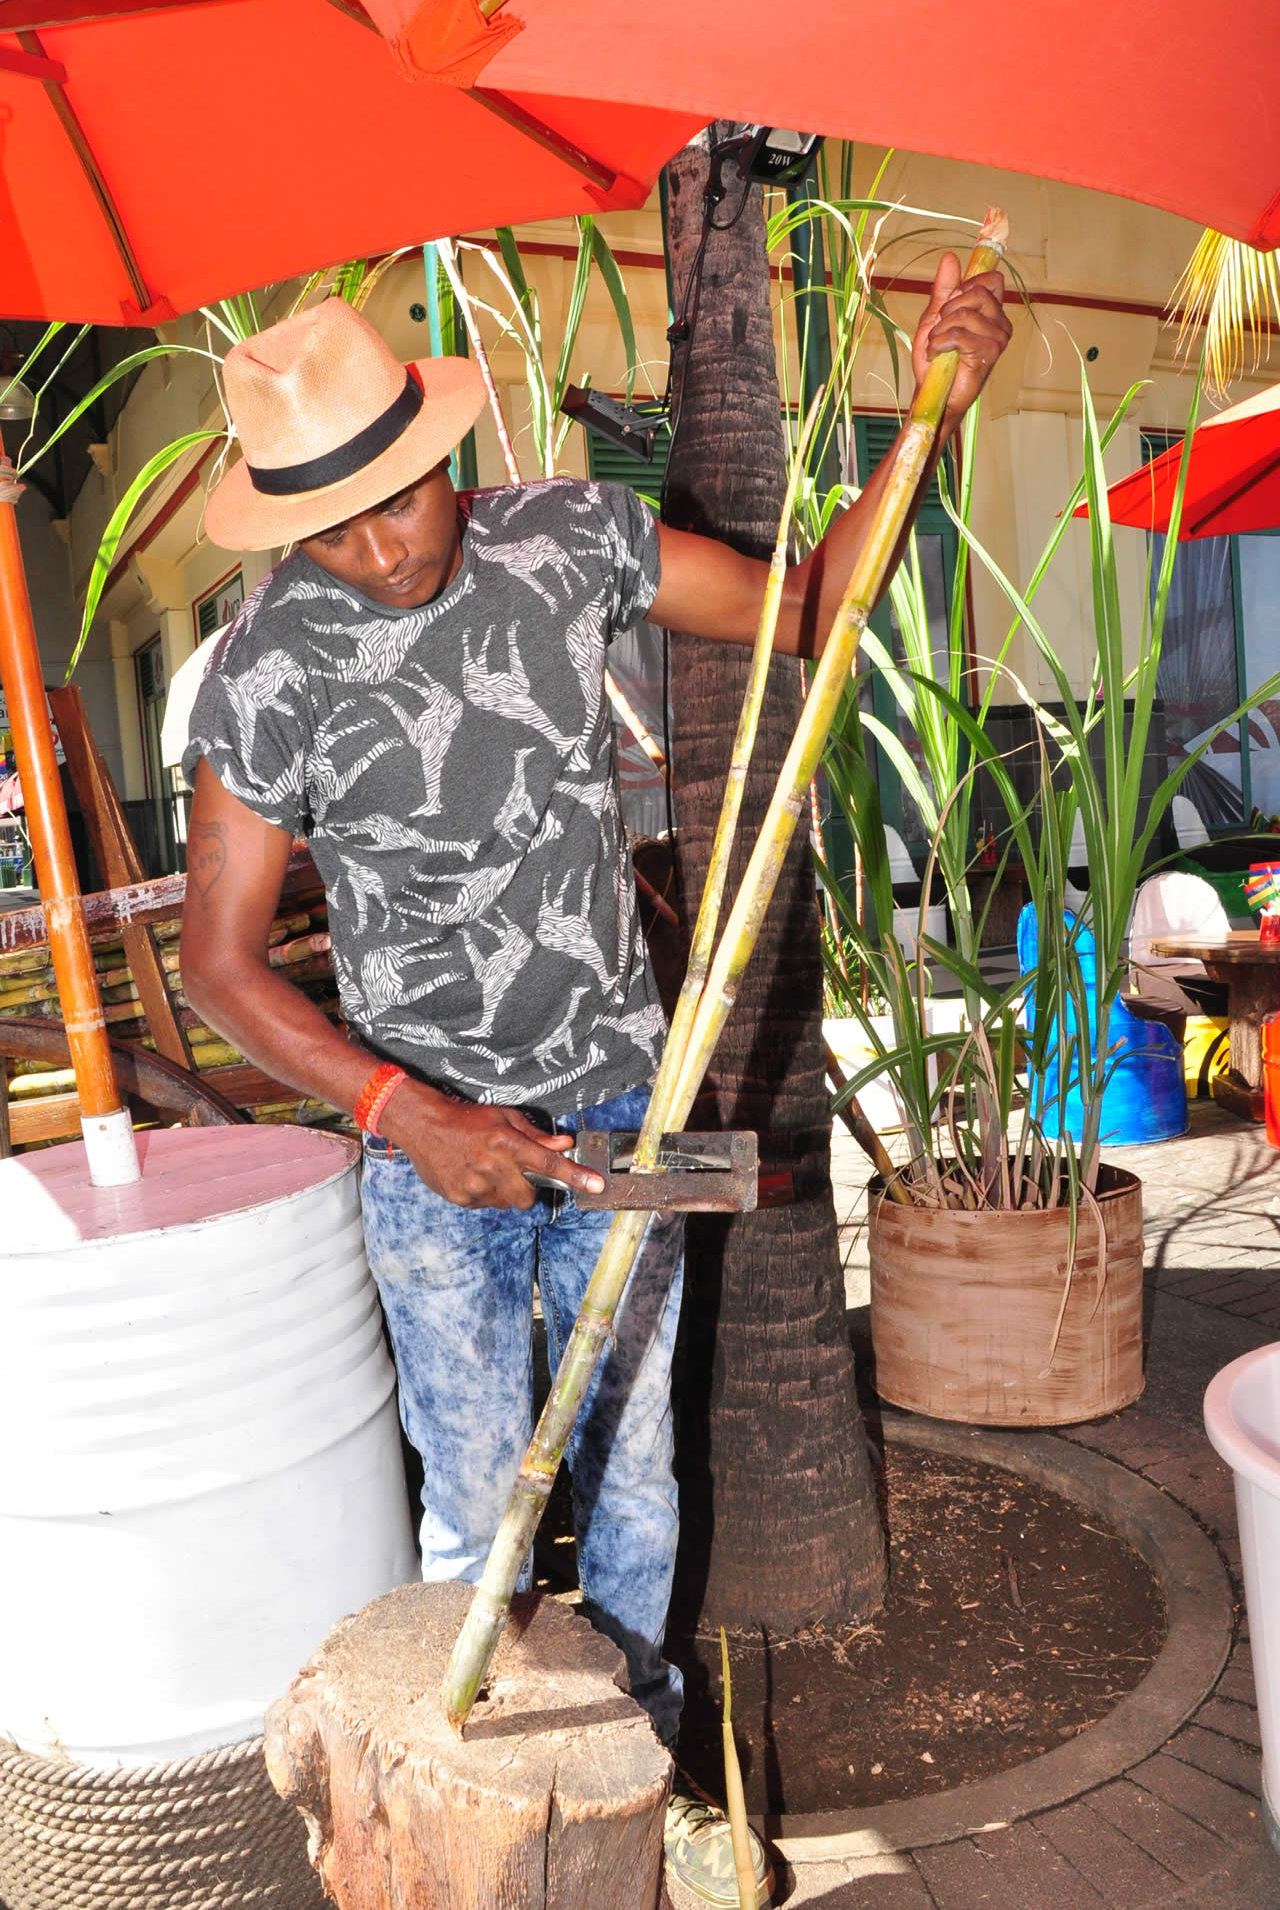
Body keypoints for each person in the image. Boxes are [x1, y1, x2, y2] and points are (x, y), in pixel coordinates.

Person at [181, 267, 1010, 1907]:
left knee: (634, 1471)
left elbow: (813, 602)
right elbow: (221, 968)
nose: (386, 550)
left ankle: (638, 1793)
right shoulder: (261, 677)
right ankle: (478, 1818)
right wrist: (407, 1115)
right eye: (335, 529)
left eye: (400, 501)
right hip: (427, 1161)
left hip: (626, 1111)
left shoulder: (568, 541)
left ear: (439, 455)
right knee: (474, 1503)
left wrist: (936, 411)